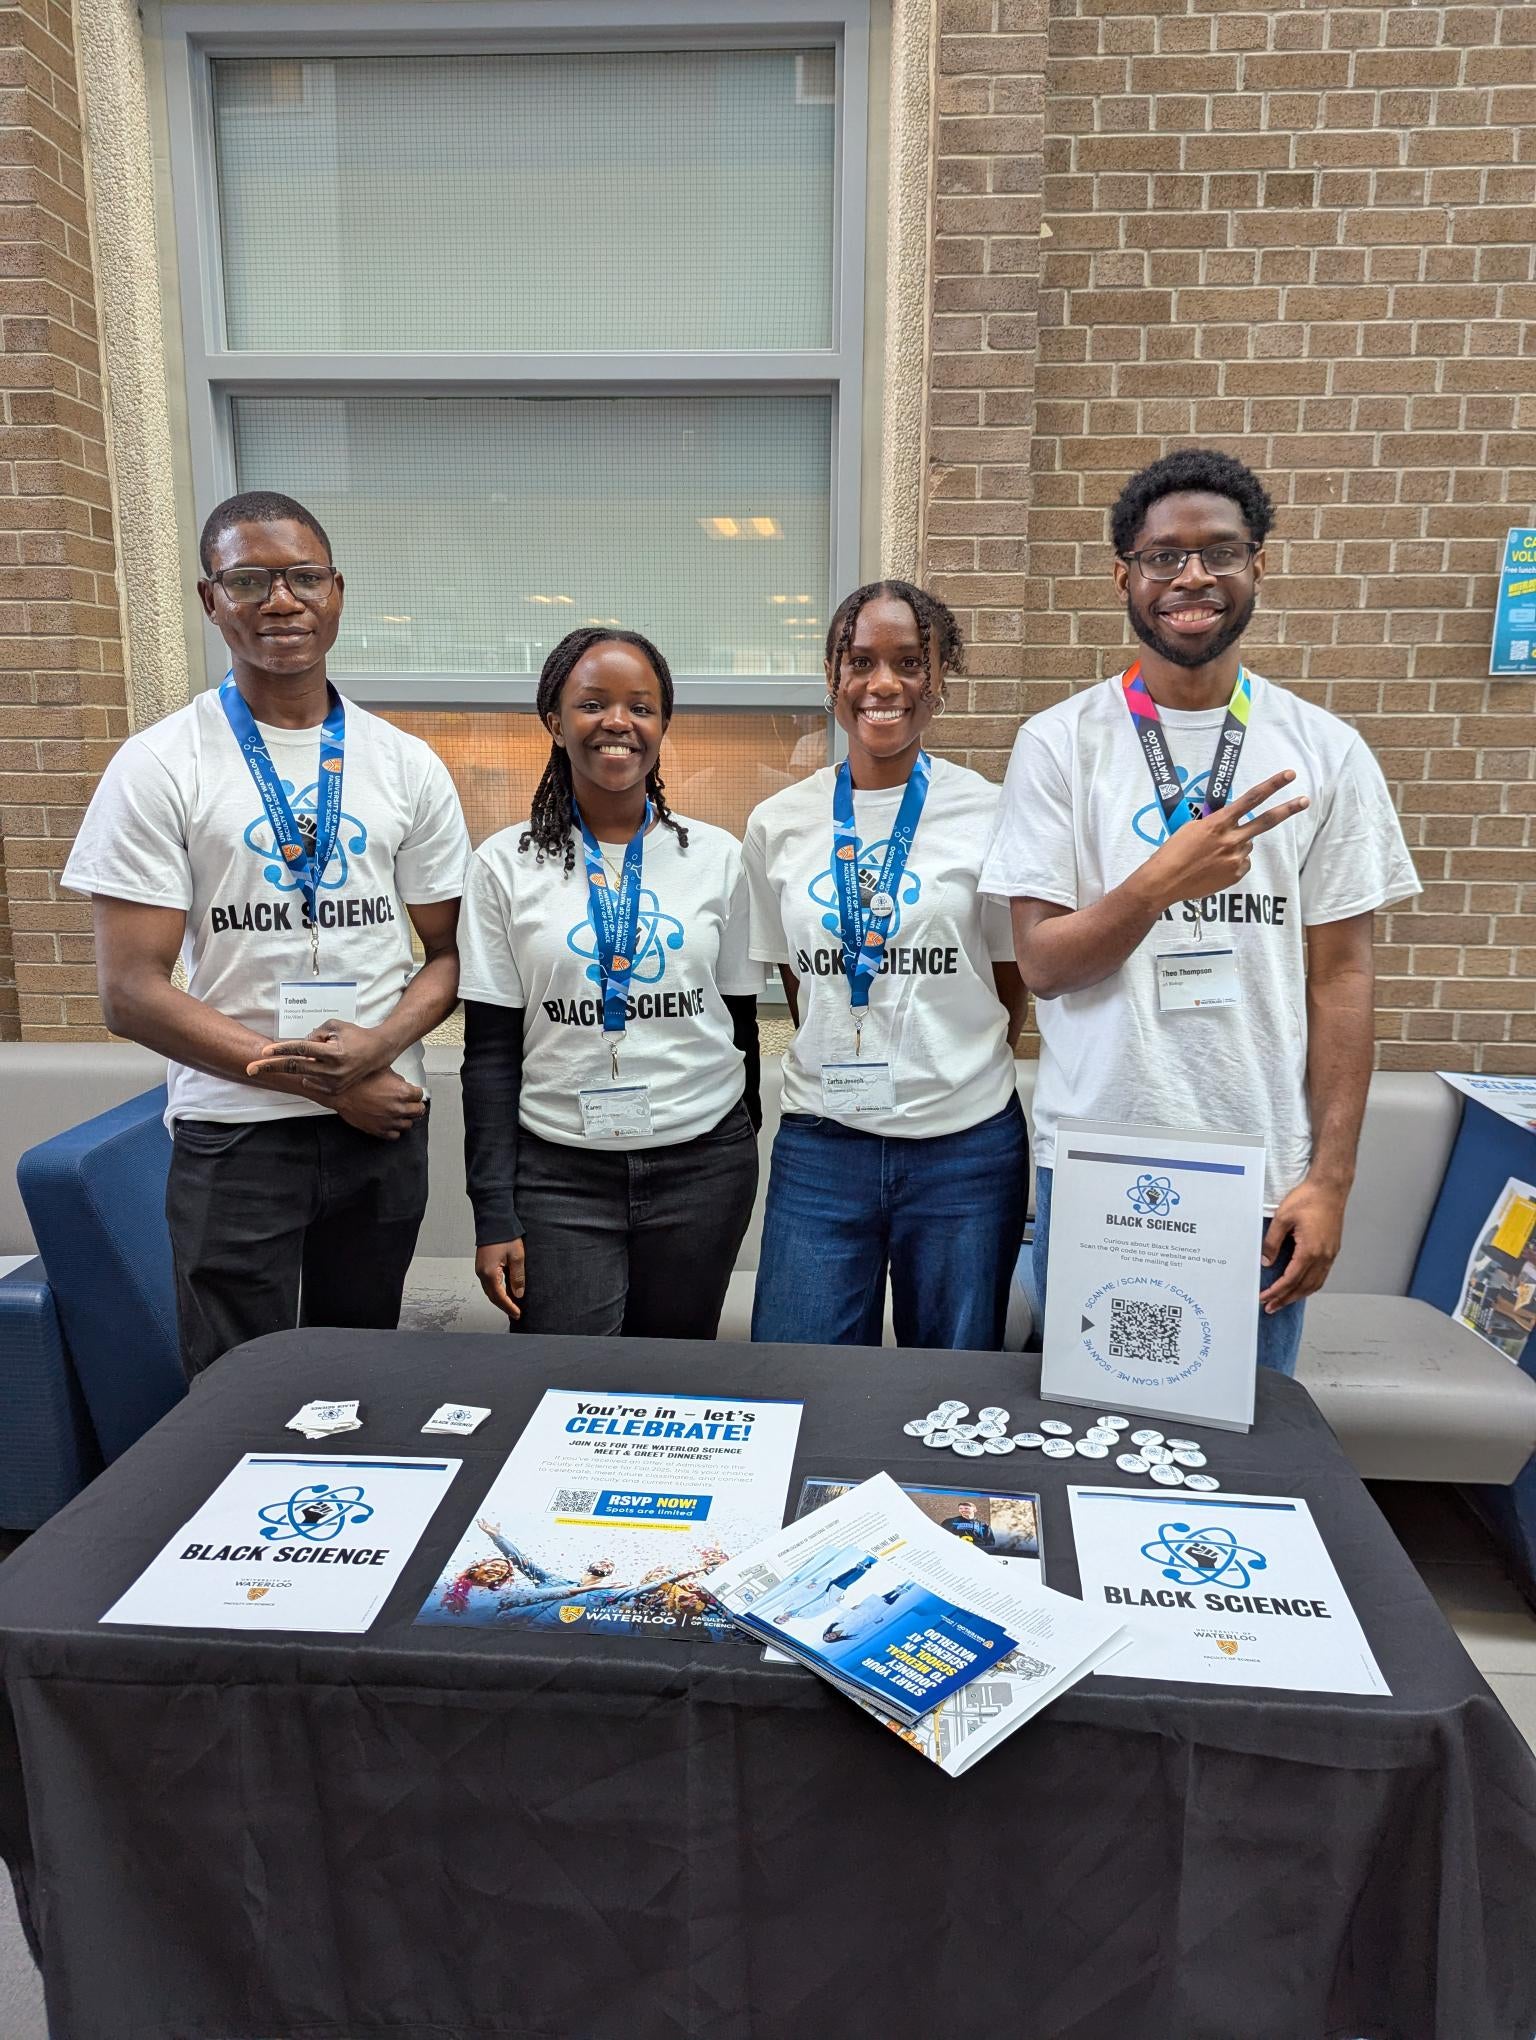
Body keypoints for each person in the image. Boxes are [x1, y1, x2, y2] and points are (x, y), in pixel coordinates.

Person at [979, 448, 1421, 1373]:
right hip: (1095, 1156)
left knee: (1245, 1444)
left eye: (1219, 553)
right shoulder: (1059, 743)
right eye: (1163, 557)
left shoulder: (1327, 751)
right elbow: (1046, 964)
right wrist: (1156, 885)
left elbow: (1342, 979)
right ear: (1123, 577)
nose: (1191, 577)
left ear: (1259, 565)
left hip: (1256, 1169)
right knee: (1094, 1428)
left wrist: (1330, 1178)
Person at [63, 489, 469, 1377]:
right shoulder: (160, 763)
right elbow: (128, 993)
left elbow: (448, 955)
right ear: (212, 601)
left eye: (302, 577)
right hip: (235, 1130)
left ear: (336, 594)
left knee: (360, 1372)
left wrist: (372, 1055)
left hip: (381, 1126)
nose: (279, 600)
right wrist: (327, 1084)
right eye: (248, 579)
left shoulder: (405, 763)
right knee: (234, 1383)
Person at [744, 581, 1029, 1350]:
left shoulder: (992, 813)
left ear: (940, 678)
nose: (884, 684)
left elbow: (1008, 977)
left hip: (963, 1147)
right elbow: (801, 977)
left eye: (911, 662)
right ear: (833, 678)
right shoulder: (778, 823)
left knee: (953, 1391)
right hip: (823, 1142)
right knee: (799, 1378)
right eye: (860, 661)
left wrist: (942, 1054)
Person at [460, 627, 761, 1338]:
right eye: (592, 703)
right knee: (559, 1384)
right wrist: (493, 1210)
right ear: (554, 722)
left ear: (662, 725)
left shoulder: (719, 859)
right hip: (559, 1174)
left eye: (642, 706)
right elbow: (492, 1053)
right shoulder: (504, 865)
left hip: (702, 1169)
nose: (618, 723)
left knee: (674, 1375)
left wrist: (738, 1135)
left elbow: (741, 1024)